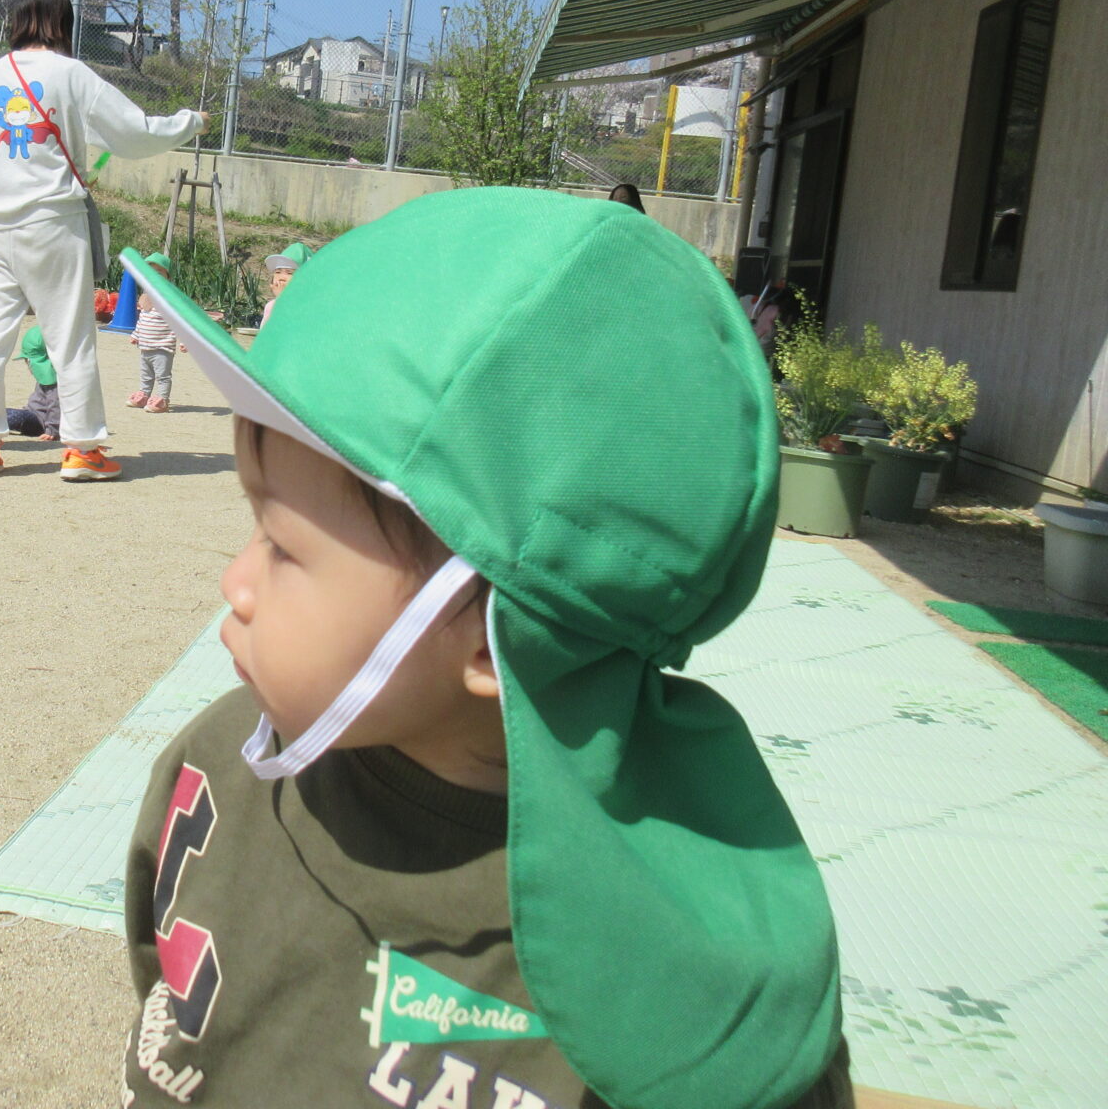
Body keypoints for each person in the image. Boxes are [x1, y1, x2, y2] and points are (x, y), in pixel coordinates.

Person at [116, 189, 852, 1109]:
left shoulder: (673, 984)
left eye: (283, 546)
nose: (236, 581)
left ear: (491, 638)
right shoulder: (216, 767)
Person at [0, 0, 206, 483]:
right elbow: (135, 133)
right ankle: (81, 451)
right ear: (63, 22)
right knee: (70, 340)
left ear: (16, 19)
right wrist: (191, 122)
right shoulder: (72, 74)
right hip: (53, 221)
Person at [127, 252, 184, 413]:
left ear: (167, 277)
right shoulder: (146, 296)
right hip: (145, 346)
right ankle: (144, 394)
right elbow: (142, 319)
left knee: (163, 376)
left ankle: (162, 400)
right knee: (146, 374)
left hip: (162, 346)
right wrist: (136, 334)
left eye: (159, 272)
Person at [6, 325, 61, 440]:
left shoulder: (52, 380)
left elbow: (55, 405)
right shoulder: (52, 373)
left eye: (27, 362)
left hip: (41, 421)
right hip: (35, 414)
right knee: (6, 414)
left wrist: (52, 429)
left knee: (6, 415)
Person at [258, 241, 310, 328]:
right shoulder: (271, 306)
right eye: (278, 272)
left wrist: (281, 299)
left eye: (289, 273)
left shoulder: (308, 304)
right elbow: (267, 332)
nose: (281, 277)